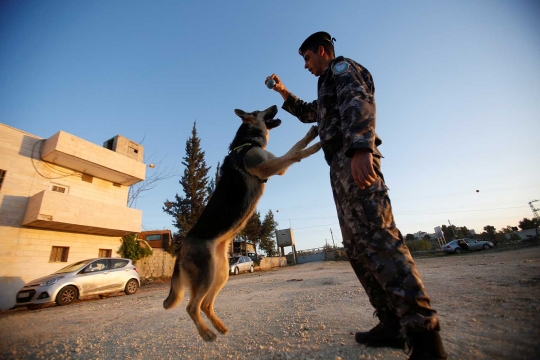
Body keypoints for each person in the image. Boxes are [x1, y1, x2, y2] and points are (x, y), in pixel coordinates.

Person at [265, 32, 446, 359]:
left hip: (354, 159)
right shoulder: (325, 85)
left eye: (307, 58)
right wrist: (282, 91)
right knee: (357, 247)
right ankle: (391, 322)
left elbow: (358, 101)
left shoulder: (342, 69)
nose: (305, 66)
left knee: (379, 238)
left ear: (322, 51)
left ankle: (424, 335)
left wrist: (361, 147)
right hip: (339, 165)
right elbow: (311, 113)